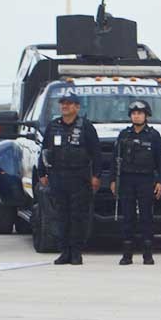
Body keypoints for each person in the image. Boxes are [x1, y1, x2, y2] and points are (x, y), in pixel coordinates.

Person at [38, 92, 102, 265]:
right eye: (62, 103)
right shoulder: (53, 126)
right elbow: (44, 150)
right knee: (61, 216)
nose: (64, 106)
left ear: (77, 107)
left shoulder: (86, 127)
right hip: (57, 177)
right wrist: (42, 173)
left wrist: (96, 176)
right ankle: (64, 252)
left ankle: (76, 252)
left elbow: (96, 153)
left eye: (69, 103)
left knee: (77, 216)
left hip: (79, 178)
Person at [110, 100, 161, 266]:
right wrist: (113, 180)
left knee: (146, 217)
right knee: (128, 217)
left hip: (146, 180)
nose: (136, 116)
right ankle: (127, 255)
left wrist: (160, 182)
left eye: (140, 113)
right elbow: (115, 159)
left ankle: (147, 254)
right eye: (134, 113)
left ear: (146, 115)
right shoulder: (124, 135)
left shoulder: (153, 135)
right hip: (127, 180)